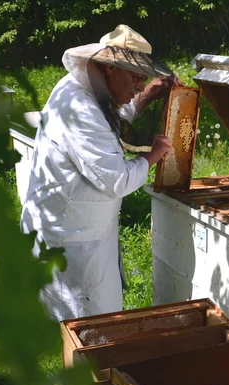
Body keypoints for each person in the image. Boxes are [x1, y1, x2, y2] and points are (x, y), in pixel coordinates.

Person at [20, 25, 176, 321]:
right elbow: (117, 179)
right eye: (135, 77)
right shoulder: (78, 108)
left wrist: (147, 96)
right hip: (71, 243)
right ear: (107, 68)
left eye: (144, 78)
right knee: (88, 332)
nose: (139, 86)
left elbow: (109, 121)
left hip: (82, 231)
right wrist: (153, 156)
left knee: (94, 325)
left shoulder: (83, 90)